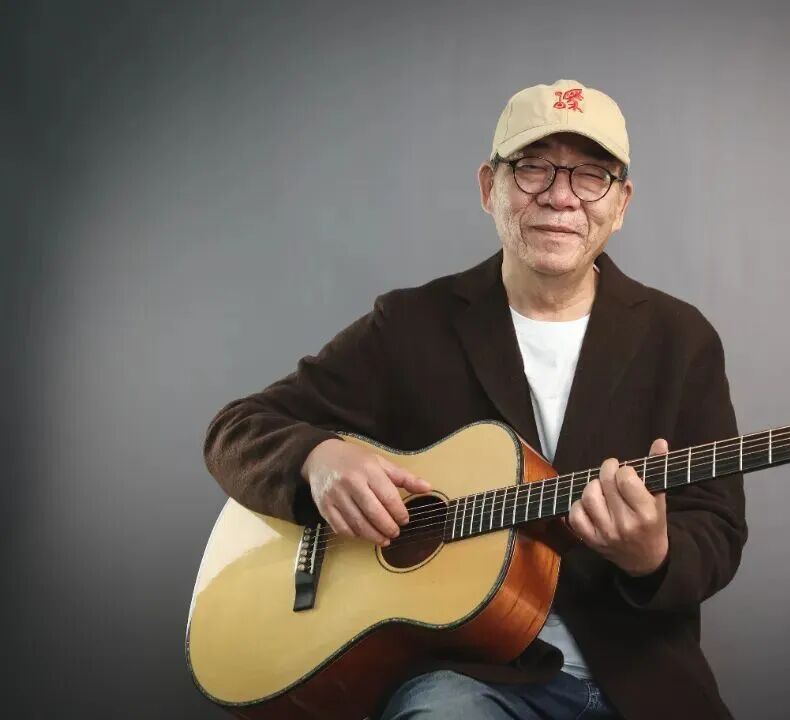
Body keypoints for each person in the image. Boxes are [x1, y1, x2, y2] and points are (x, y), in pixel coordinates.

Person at [203, 79, 748, 720]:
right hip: (466, 674)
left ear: (620, 202)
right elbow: (236, 429)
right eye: (533, 168)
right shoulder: (410, 325)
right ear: (490, 186)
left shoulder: (680, 339)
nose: (561, 197)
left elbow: (717, 527)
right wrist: (317, 460)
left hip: (638, 676)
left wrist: (654, 555)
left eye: (591, 176)